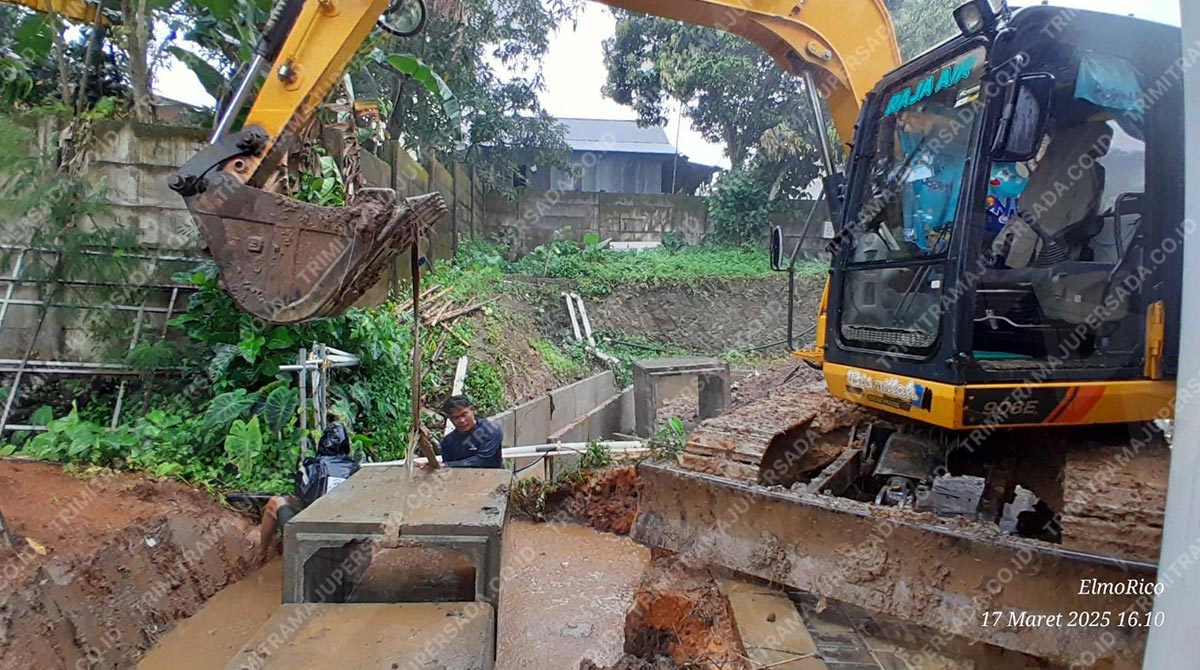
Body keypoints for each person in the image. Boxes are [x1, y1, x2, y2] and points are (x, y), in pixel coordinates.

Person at [258, 422, 360, 560]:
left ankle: (261, 553)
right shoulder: (355, 469)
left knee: (274, 502)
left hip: (310, 533)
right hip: (346, 535)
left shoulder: (311, 465)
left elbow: (300, 497)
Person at [437, 395, 504, 468]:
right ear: (450, 419)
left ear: (472, 409)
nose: (461, 421)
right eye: (456, 418)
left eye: (464, 415)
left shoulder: (490, 430)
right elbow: (447, 469)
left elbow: (483, 460)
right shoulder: (448, 441)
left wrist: (447, 465)